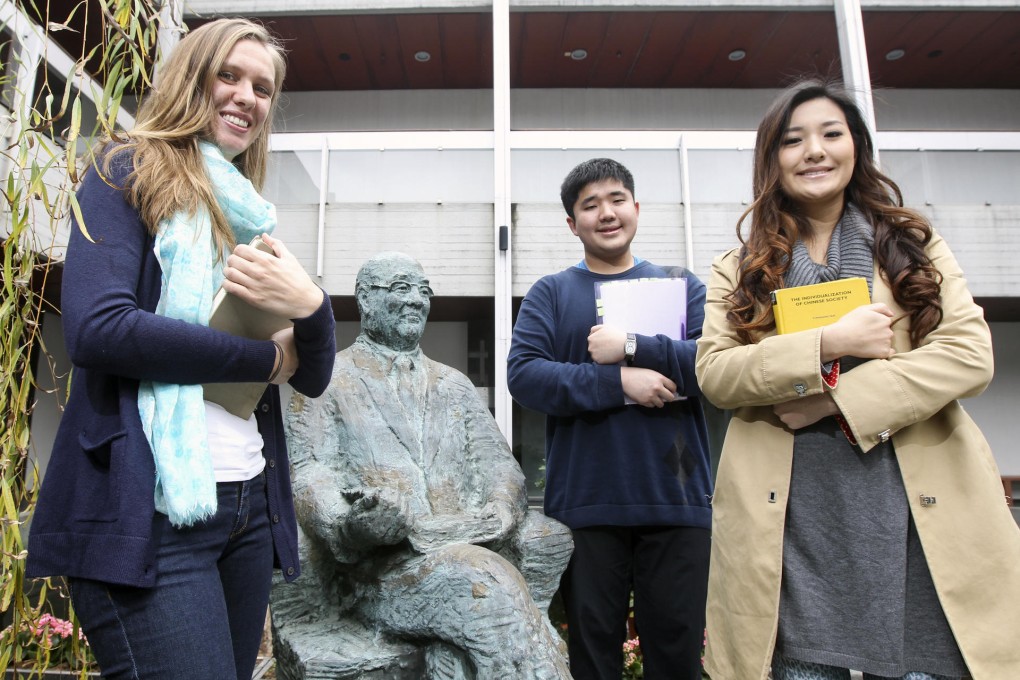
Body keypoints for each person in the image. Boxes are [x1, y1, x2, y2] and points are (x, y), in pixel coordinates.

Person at [26, 19, 337, 680]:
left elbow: (311, 375)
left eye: (262, 88)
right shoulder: (123, 170)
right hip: (151, 515)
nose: (247, 97)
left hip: (246, 507)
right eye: (230, 75)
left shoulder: (248, 216)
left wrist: (313, 305)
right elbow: (100, 329)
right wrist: (265, 361)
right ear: (192, 78)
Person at [695, 79, 1020, 680]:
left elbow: (970, 354)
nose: (815, 151)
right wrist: (829, 343)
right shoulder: (738, 268)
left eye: (831, 134)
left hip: (918, 514)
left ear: (856, 146)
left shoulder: (913, 246)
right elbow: (716, 373)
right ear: (772, 159)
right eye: (793, 140)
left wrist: (834, 402)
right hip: (793, 530)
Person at [281, 252, 573, 678]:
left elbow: (501, 467)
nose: (416, 300)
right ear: (365, 299)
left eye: (424, 291)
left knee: (539, 542)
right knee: (485, 583)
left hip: (466, 541)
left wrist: (500, 510)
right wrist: (351, 523)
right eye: (401, 288)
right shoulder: (326, 381)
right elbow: (309, 477)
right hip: (382, 570)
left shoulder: (454, 384)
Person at [507, 158, 713, 680]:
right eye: (590, 205)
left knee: (677, 658)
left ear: (636, 208)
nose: (606, 213)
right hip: (587, 504)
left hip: (676, 499)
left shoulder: (680, 285)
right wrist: (619, 382)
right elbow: (524, 376)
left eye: (617, 199)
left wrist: (634, 346)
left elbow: (714, 366)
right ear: (572, 223)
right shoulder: (551, 293)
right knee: (593, 659)